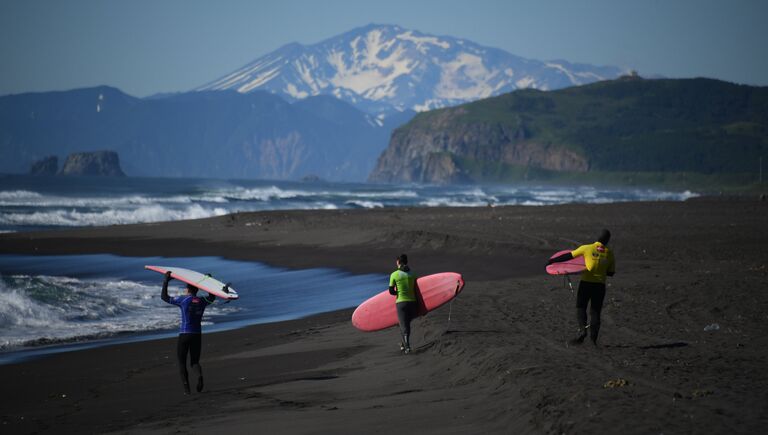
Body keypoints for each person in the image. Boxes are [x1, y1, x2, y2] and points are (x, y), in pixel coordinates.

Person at [548, 229, 615, 346]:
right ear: (607, 240)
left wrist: (552, 261)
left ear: (597, 238)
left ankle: (582, 331)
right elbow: (611, 272)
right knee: (595, 312)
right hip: (600, 286)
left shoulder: (586, 248)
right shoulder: (609, 253)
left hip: (586, 284)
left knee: (580, 307)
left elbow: (568, 256)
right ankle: (594, 340)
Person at [161, 271, 217, 394]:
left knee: (182, 362)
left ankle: (187, 390)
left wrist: (166, 281)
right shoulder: (202, 301)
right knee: (195, 362)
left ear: (187, 290)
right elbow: (212, 297)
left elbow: (164, 297)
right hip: (197, 335)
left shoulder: (183, 300)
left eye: (185, 288)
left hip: (185, 334)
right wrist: (209, 282)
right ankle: (199, 376)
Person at [389, 254, 418, 354]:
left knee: (403, 325)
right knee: (407, 323)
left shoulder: (394, 274)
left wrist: (399, 292)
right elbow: (417, 289)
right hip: (413, 302)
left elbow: (391, 291)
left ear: (398, 262)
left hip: (401, 302)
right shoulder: (413, 274)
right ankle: (404, 344)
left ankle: (407, 347)